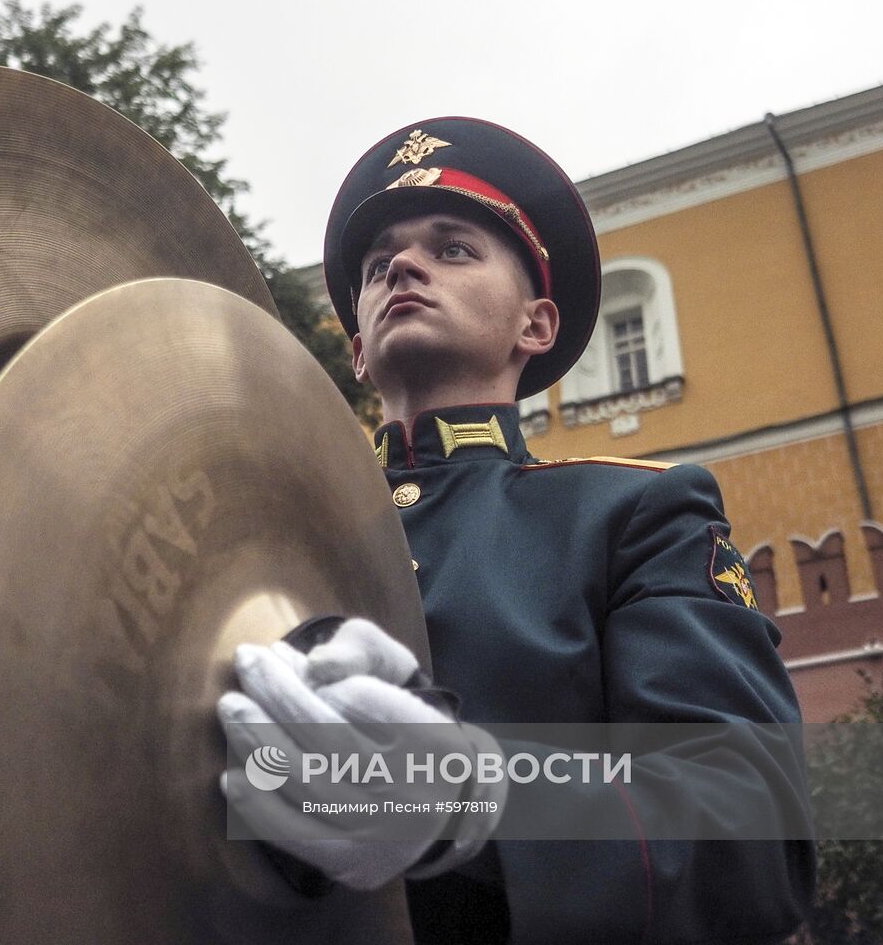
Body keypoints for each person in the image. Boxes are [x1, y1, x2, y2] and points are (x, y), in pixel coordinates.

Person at [218, 119, 814, 943]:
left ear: (534, 326)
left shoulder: (630, 515)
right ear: (356, 349)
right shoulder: (256, 537)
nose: (402, 265)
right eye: (378, 263)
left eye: (454, 247)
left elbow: (754, 834)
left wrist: (476, 801)